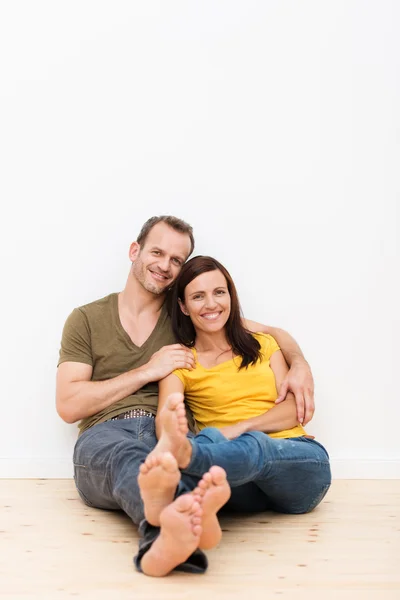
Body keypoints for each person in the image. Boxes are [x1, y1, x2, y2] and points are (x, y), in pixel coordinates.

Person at [56, 215, 315, 575]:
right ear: (135, 251)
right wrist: (148, 370)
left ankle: (175, 540)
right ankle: (161, 535)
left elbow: (271, 332)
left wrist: (300, 363)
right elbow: (68, 405)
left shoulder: (192, 312)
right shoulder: (86, 319)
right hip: (107, 434)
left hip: (173, 432)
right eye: (157, 252)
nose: (165, 266)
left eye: (177, 260)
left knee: (176, 460)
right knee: (131, 457)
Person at [137, 255, 331, 575]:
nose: (211, 303)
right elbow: (166, 419)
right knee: (209, 443)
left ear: (230, 295)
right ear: (184, 306)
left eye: (219, 292)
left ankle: (184, 469)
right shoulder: (182, 362)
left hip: (298, 465)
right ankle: (194, 525)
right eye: (198, 296)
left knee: (238, 441)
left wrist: (238, 428)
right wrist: (177, 430)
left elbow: (291, 412)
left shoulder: (263, 345)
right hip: (236, 484)